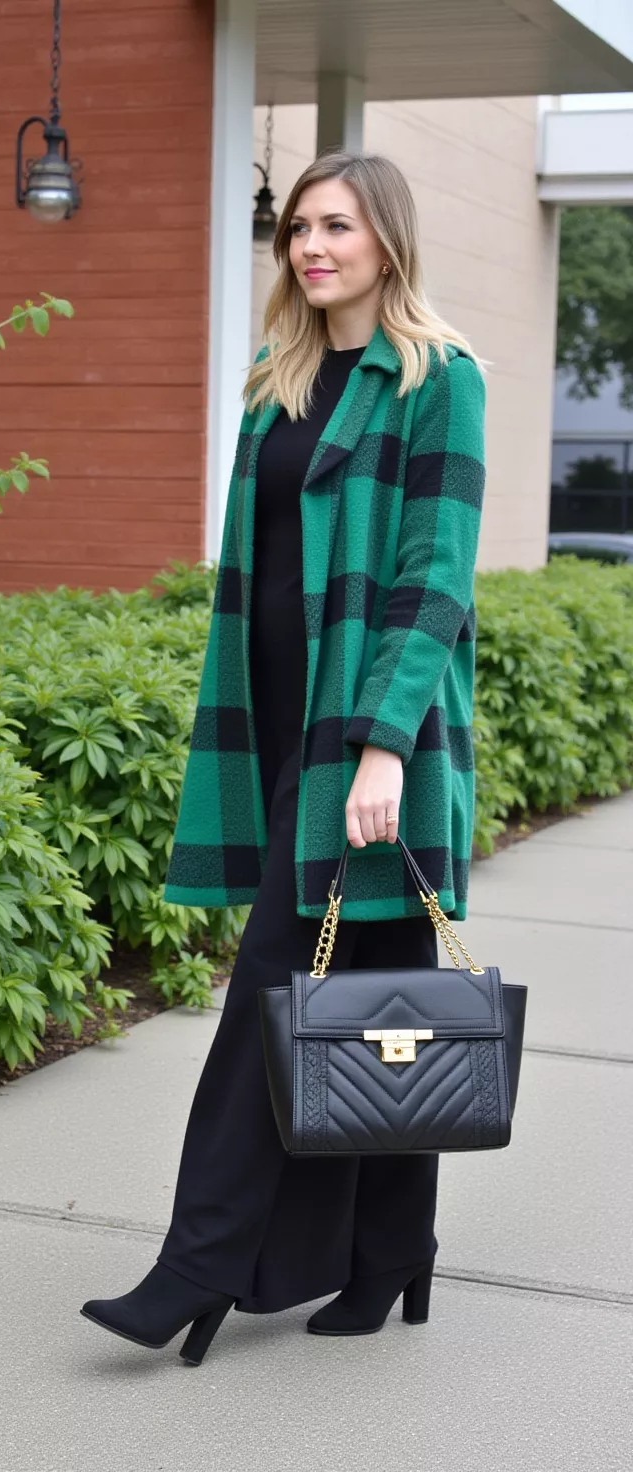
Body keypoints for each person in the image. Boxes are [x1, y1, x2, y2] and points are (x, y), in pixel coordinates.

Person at [81, 150, 486, 1366]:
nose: (311, 247)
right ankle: (383, 1255)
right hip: (272, 729)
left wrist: (379, 746)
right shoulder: (280, 381)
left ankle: (193, 1266)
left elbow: (433, 577)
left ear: (387, 240)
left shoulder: (434, 379)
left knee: (273, 991)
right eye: (299, 228)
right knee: (383, 1009)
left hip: (357, 744)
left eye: (337, 227)